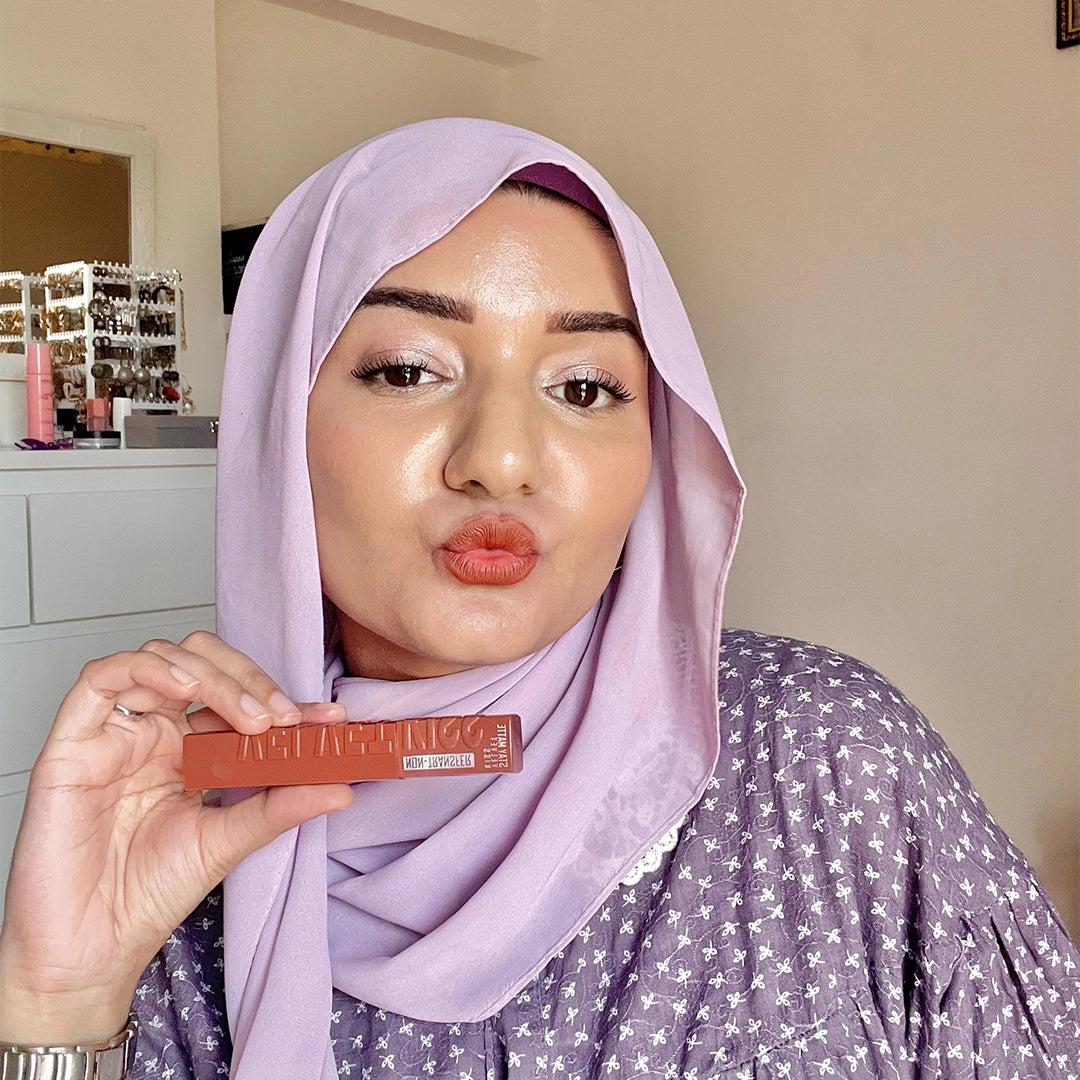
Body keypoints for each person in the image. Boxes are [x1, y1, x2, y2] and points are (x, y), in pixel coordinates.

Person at [1, 118, 1078, 1080]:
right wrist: (59, 1006)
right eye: (408, 370)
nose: (503, 460)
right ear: (279, 424)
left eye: (585, 386)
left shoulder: (827, 760)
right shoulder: (177, 853)